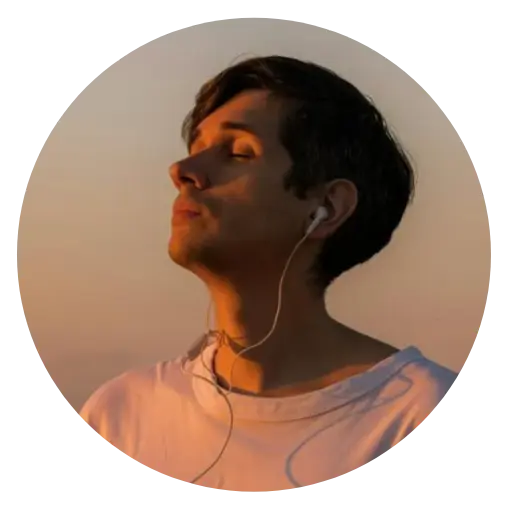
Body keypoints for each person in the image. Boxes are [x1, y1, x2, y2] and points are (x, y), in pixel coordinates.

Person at [80, 55, 460, 492]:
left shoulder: (414, 413)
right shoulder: (120, 415)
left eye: (238, 152)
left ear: (327, 208)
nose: (182, 171)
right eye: (195, 149)